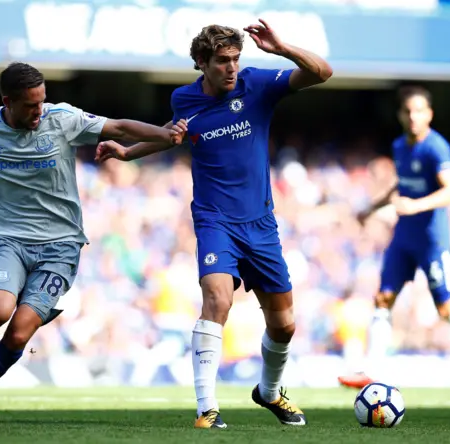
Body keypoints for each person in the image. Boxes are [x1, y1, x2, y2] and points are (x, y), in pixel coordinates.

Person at [0, 62, 187, 424]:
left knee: (20, 332)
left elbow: (118, 126)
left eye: (42, 101)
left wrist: (164, 136)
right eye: (30, 105)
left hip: (61, 248)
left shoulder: (62, 120)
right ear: (7, 102)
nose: (39, 110)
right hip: (11, 240)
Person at [95, 20, 332, 428]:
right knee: (217, 300)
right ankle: (207, 408)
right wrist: (127, 153)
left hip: (260, 223)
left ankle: (269, 393)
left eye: (236, 59)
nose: (231, 67)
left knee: (285, 325)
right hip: (214, 219)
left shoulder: (257, 84)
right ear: (201, 63)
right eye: (222, 61)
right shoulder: (184, 98)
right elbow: (174, 136)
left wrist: (282, 48)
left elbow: (322, 73)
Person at [338, 86, 450, 390]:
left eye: (419, 111)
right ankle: (371, 372)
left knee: (446, 309)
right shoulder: (400, 145)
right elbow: (401, 183)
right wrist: (371, 208)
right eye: (407, 111)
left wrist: (416, 205)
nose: (413, 117)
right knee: (383, 298)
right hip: (404, 237)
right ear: (400, 115)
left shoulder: (436, 148)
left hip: (432, 240)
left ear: (429, 114)